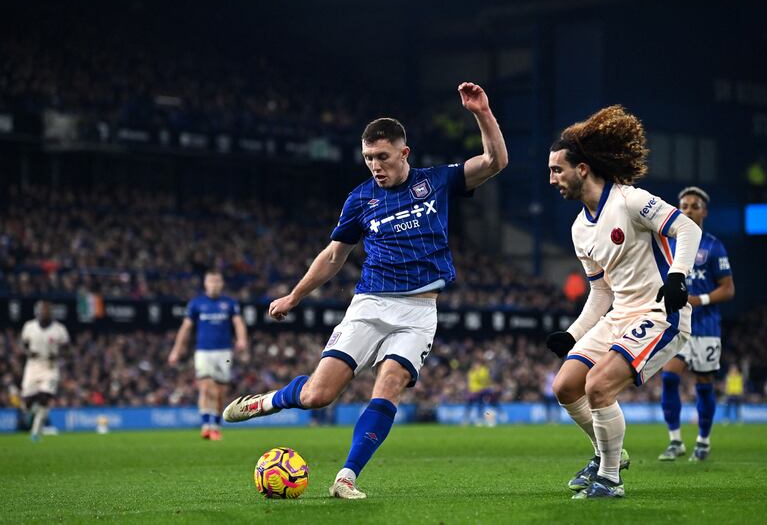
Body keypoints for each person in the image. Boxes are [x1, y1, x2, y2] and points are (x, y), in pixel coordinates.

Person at [223, 82, 508, 499]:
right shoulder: (360, 199)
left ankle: (347, 477)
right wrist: (294, 295)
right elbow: (334, 256)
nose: (375, 165)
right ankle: (268, 402)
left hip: (419, 311)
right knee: (318, 395)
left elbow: (495, 161)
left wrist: (481, 112)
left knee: (389, 382)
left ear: (403, 153)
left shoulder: (437, 181)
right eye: (369, 158)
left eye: (383, 157)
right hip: (370, 303)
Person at [546, 105, 702, 498]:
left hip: (660, 313)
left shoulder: (630, 201)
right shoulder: (580, 228)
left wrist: (678, 277)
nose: (552, 179)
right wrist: (574, 333)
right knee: (565, 385)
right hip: (620, 314)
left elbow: (686, 228)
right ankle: (607, 455)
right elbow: (601, 291)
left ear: (582, 168)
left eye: (557, 170)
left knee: (598, 385)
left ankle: (610, 480)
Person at [659, 186, 735, 462]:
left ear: (704, 211)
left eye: (694, 205)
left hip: (706, 326)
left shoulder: (714, 246)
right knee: (668, 378)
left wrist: (698, 299)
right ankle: (675, 441)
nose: (689, 210)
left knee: (704, 383)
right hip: (677, 323)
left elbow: (728, 289)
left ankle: (703, 441)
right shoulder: (669, 243)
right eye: (684, 205)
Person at [168, 270, 248, 440]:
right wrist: (176, 350)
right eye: (211, 281)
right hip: (203, 351)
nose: (214, 284)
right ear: (205, 283)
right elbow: (185, 328)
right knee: (205, 387)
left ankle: (216, 426)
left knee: (220, 391)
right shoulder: (196, 303)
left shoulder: (230, 303)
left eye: (217, 281)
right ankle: (206, 426)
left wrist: (241, 339)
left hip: (224, 353)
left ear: (222, 284)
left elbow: (238, 322)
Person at [20, 301, 70, 442]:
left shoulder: (59, 329)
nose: (44, 313)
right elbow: (22, 345)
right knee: (28, 402)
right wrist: (28, 352)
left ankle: (35, 432)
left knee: (45, 397)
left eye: (47, 311)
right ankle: (33, 414)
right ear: (37, 312)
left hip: (50, 366)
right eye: (42, 311)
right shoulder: (29, 327)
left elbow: (67, 349)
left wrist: (59, 355)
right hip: (33, 366)